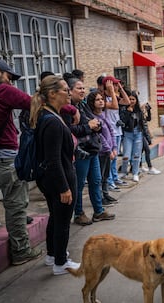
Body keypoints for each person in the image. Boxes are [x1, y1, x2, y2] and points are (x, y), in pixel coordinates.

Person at [0, 60, 42, 265]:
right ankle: (21, 251)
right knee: (16, 203)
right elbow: (35, 104)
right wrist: (71, 110)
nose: (11, 82)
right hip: (4, 156)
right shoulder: (1, 90)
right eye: (10, 77)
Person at [30, 75, 80, 275]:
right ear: (52, 94)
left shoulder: (49, 115)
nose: (69, 93)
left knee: (55, 218)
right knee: (62, 222)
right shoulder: (52, 121)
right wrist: (64, 188)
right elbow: (53, 159)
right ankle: (61, 262)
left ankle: (52, 255)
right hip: (59, 179)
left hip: (53, 179)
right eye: (65, 90)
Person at [62, 78, 115, 226]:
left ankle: (98, 211)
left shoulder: (82, 105)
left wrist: (95, 125)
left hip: (92, 149)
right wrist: (89, 126)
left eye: (83, 88)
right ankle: (78, 214)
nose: (82, 91)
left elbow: (91, 121)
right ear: (70, 91)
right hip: (81, 152)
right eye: (79, 88)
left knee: (96, 181)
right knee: (78, 185)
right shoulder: (66, 109)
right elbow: (70, 131)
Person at [86, 90, 118, 205]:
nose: (100, 102)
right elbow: (99, 136)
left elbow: (111, 131)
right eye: (97, 100)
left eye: (101, 99)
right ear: (92, 102)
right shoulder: (92, 117)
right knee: (99, 176)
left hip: (109, 150)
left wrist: (114, 147)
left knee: (106, 175)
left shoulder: (104, 114)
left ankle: (105, 194)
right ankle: (100, 197)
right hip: (101, 151)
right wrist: (109, 150)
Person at [102, 76, 130, 188]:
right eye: (114, 84)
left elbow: (127, 102)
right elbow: (114, 106)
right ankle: (109, 181)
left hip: (117, 131)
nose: (116, 87)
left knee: (115, 156)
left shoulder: (115, 97)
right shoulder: (103, 99)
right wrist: (112, 91)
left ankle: (114, 177)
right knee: (110, 157)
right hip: (109, 132)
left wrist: (121, 89)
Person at [119, 91, 147, 182]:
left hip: (138, 134)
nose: (131, 101)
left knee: (136, 155)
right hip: (128, 134)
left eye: (133, 99)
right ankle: (124, 172)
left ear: (136, 100)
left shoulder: (139, 111)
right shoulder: (124, 109)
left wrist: (147, 136)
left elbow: (143, 123)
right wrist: (128, 112)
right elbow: (122, 121)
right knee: (126, 155)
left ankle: (135, 173)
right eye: (130, 99)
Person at [139, 102, 161, 175]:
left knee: (141, 151)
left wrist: (149, 110)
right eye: (144, 108)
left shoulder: (143, 114)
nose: (144, 109)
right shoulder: (139, 114)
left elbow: (148, 119)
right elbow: (143, 127)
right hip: (140, 135)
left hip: (144, 135)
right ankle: (150, 167)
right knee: (147, 150)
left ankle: (140, 166)